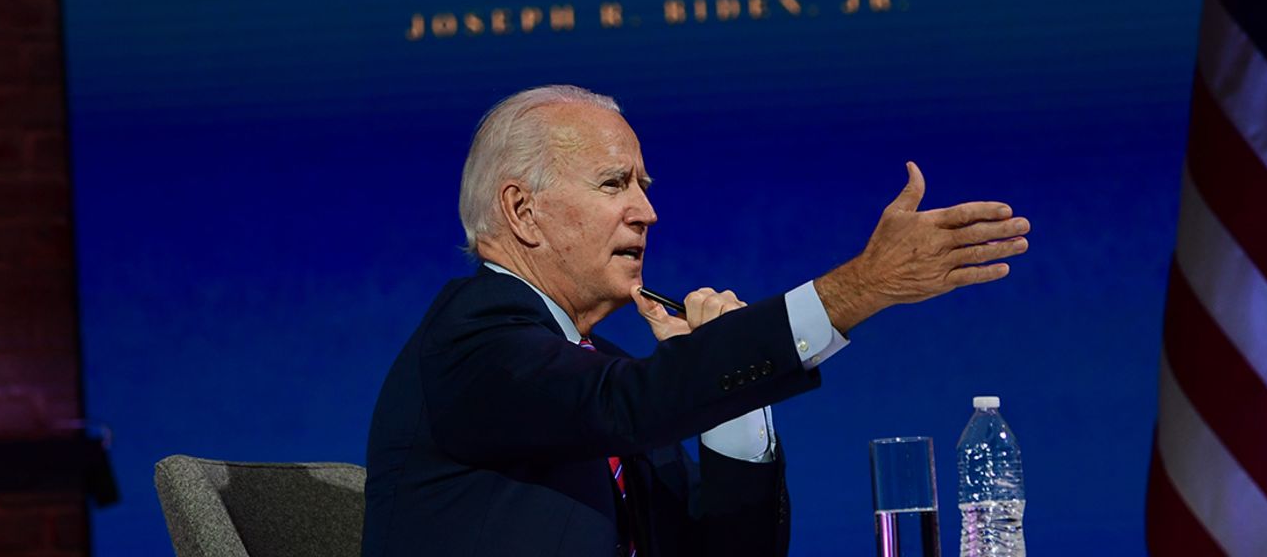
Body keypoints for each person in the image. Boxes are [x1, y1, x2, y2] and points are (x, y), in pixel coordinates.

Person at [363, 85, 1030, 557]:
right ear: (522, 211)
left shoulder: (607, 376)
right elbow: (629, 404)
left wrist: (731, 407)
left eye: (645, 188)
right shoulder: (473, 339)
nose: (646, 213)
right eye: (613, 184)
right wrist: (858, 288)